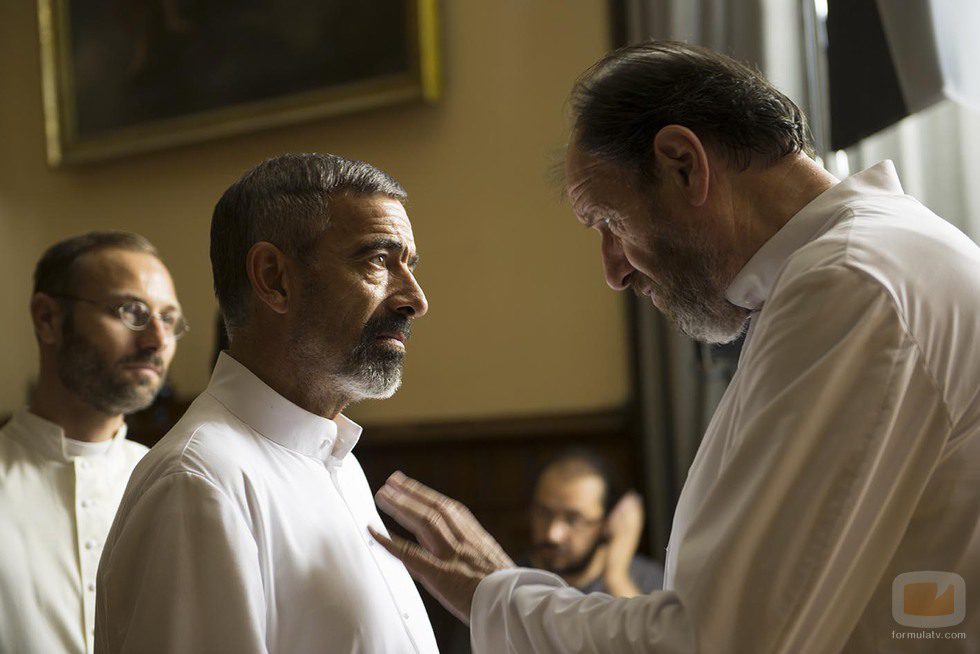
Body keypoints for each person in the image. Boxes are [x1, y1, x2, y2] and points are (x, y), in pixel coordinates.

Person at [372, 40, 980, 652]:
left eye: (609, 222)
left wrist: (497, 595)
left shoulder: (853, 281)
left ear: (683, 164)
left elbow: (723, 639)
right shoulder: (858, 267)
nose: (614, 271)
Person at [95, 153, 438, 653]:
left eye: (409, 265)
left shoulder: (333, 460)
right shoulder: (199, 482)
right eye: (378, 260)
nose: (415, 298)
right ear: (274, 278)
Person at [0, 231, 184, 654]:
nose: (156, 340)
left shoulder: (174, 483)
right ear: (47, 318)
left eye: (169, 319)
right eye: (131, 311)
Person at [526, 450, 662, 597]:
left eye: (574, 520)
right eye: (545, 514)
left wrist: (615, 578)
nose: (553, 535)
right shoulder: (514, 581)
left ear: (607, 522)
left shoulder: (648, 580)